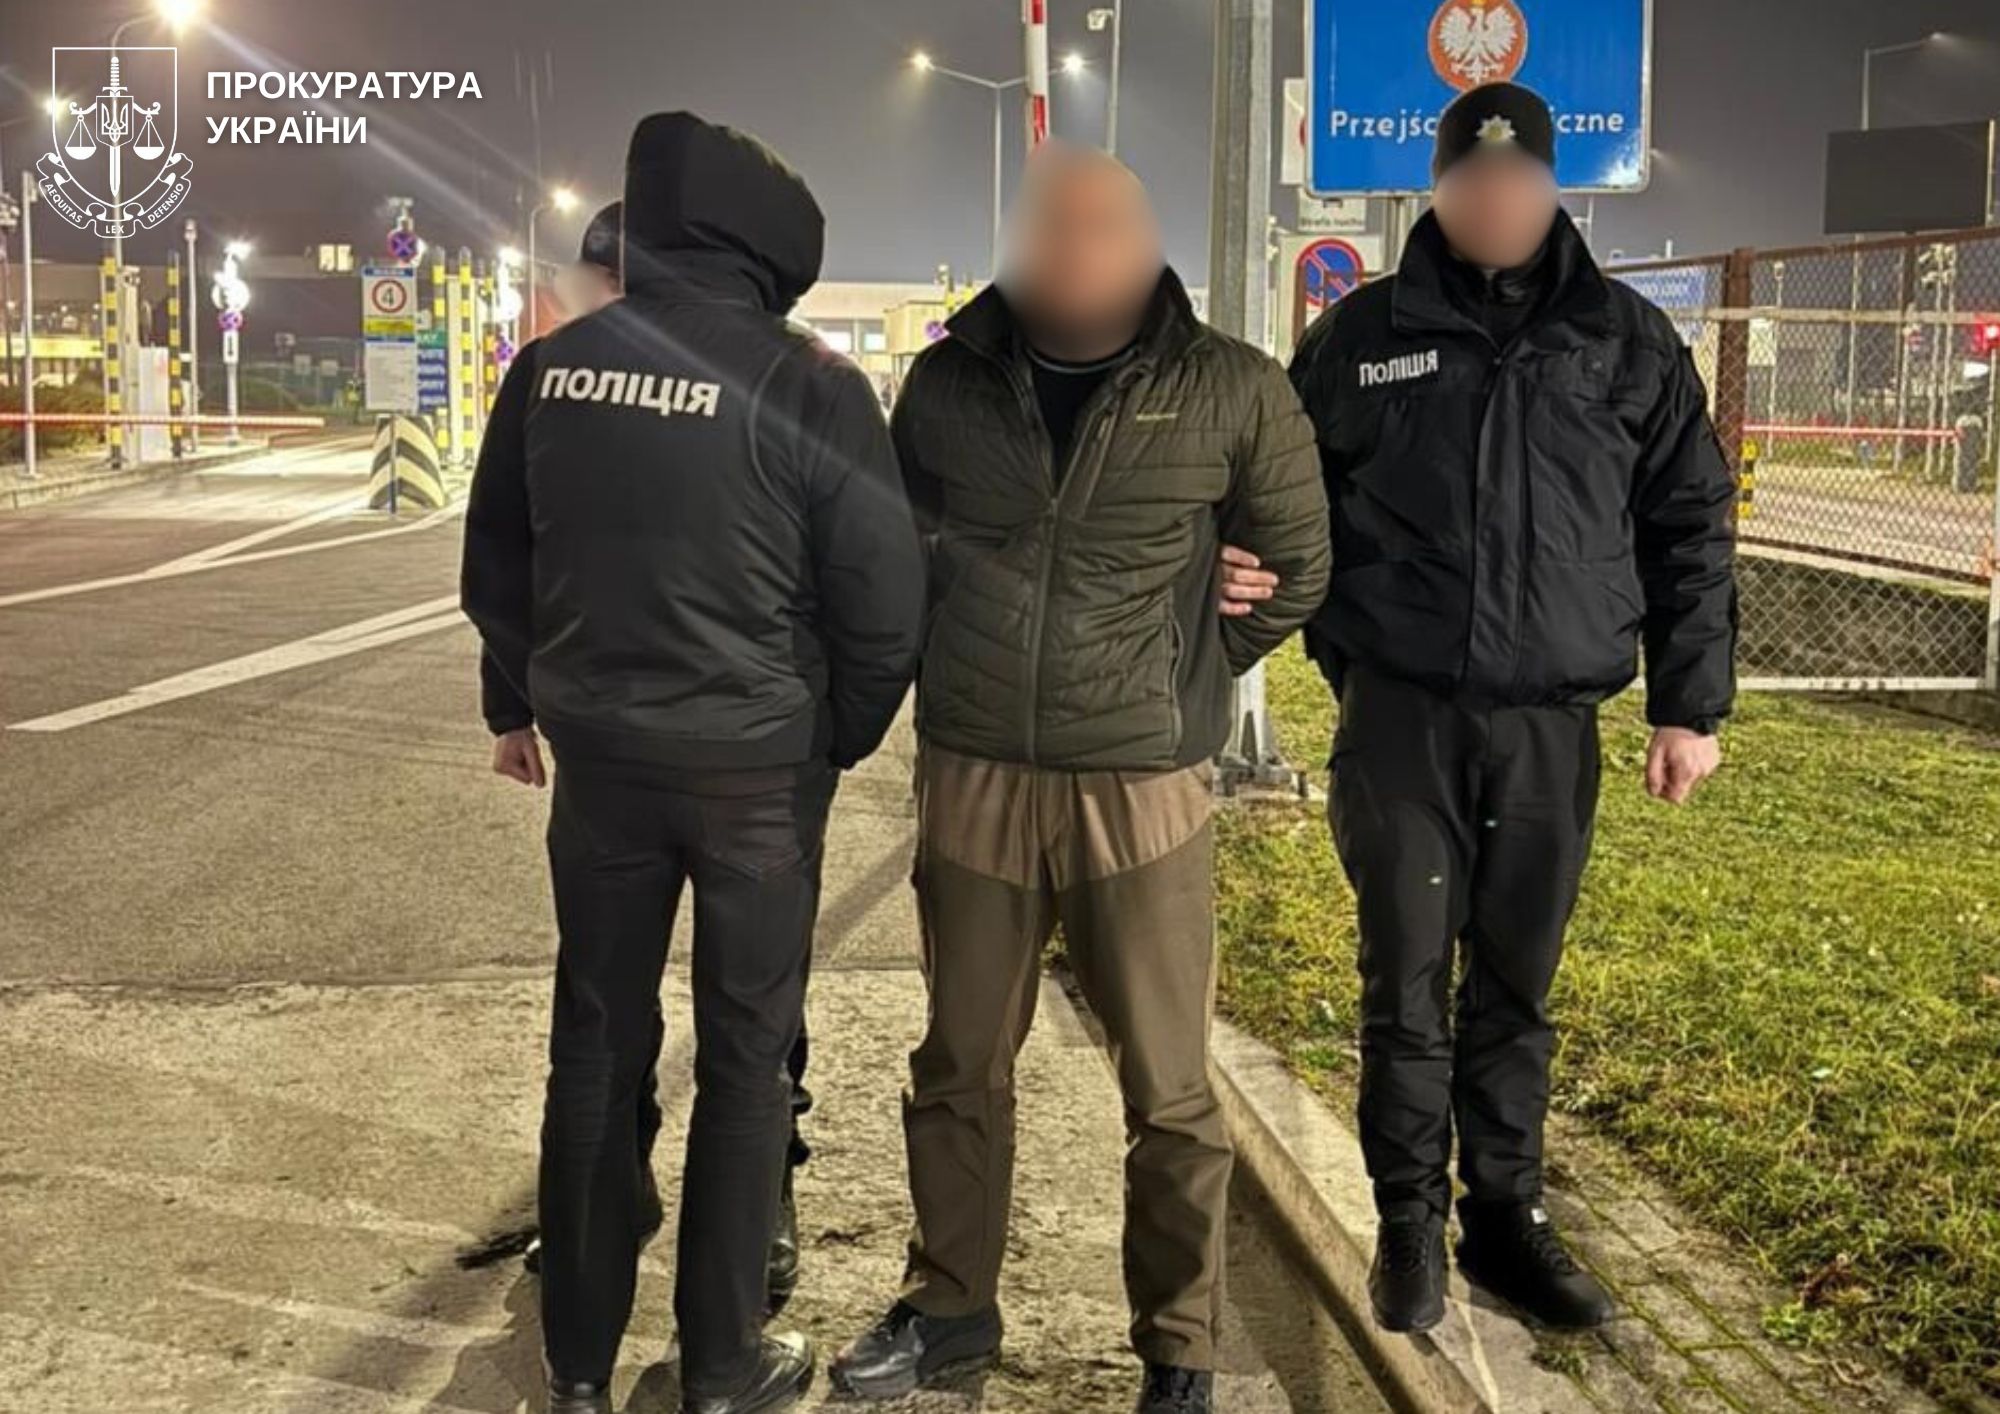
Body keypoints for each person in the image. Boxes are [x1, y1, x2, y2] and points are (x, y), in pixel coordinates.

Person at [831, 144, 1331, 1414]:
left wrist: (1187, 666)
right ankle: (949, 1303)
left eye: (1103, 227)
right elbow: (897, 550)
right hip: (975, 770)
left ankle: (1178, 1346)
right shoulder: (945, 381)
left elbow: (1297, 565)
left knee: (1167, 1086)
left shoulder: (1233, 386)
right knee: (956, 1062)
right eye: (1051, 227)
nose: (1074, 250)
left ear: (1145, 245)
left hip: (1141, 789)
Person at [462, 112, 924, 1414]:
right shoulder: (810, 382)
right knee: (745, 1053)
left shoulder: (551, 370)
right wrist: (829, 736)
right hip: (757, 775)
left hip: (604, 772)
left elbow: (494, 567)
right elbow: (885, 599)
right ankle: (722, 1364)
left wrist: (545, 695)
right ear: (765, 239)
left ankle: (576, 1359)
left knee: (595, 1040)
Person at [1283, 82, 1737, 1335]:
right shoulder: (1359, 336)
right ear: (1434, 190)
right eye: (1469, 180)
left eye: (1517, 180)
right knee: (1403, 979)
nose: (1494, 200)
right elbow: (1284, 506)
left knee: (1516, 984)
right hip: (1400, 722)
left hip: (1549, 727)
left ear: (1550, 188)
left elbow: (1688, 524)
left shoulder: (1624, 341)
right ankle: (1405, 1222)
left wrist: (1687, 705)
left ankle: (1502, 1217)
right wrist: (1343, 652)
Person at [510, 200, 816, 1322]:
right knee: (691, 1024)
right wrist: (516, 699)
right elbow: (519, 550)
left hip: (695, 753)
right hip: (706, 756)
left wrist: (827, 731)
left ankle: (715, 1227)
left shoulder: (775, 376)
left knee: (669, 1021)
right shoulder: (577, 378)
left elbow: (500, 560)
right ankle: (664, 1265)